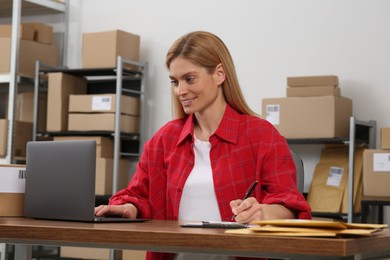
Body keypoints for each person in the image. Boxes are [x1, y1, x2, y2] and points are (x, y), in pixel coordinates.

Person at [95, 31, 312, 259]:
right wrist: (130, 208)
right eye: (174, 81)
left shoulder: (260, 135)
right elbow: (139, 195)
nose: (180, 91)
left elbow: (289, 204)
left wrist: (262, 212)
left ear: (219, 74)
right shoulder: (164, 139)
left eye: (189, 79)